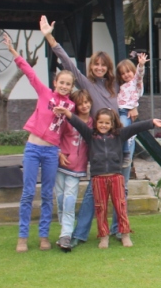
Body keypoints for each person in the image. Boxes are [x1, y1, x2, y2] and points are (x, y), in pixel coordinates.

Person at [38, 15, 126, 245]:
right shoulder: (86, 83)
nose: (99, 68)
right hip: (97, 145)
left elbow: (133, 90)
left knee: (121, 190)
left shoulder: (115, 86)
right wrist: (49, 37)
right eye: (96, 64)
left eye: (103, 65)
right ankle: (78, 234)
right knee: (93, 193)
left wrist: (133, 108)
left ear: (108, 67)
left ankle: (118, 230)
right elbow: (67, 63)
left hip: (119, 143)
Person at [3, 34, 74, 253]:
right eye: (61, 82)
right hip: (33, 149)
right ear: (55, 83)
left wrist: (66, 115)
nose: (64, 86)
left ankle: (44, 236)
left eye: (68, 84)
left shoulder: (70, 106)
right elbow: (30, 73)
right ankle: (22, 237)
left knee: (47, 194)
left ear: (71, 87)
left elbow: (68, 131)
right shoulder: (45, 94)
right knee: (27, 193)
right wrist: (13, 52)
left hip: (51, 152)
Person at [56, 106, 161, 249]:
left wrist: (151, 122)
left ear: (112, 124)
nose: (103, 125)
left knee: (120, 206)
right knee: (100, 208)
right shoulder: (91, 136)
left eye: (107, 123)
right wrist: (67, 113)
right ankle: (104, 237)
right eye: (100, 122)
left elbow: (135, 128)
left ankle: (125, 234)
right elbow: (78, 123)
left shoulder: (119, 135)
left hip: (116, 177)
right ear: (96, 123)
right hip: (98, 179)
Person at [55, 90, 92, 252]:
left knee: (69, 201)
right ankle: (64, 229)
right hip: (61, 165)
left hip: (77, 168)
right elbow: (55, 136)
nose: (84, 106)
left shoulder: (93, 122)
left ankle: (66, 235)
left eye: (86, 102)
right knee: (60, 200)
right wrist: (59, 153)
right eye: (80, 103)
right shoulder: (67, 120)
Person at [116, 52, 148, 174]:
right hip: (118, 111)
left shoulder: (135, 83)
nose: (126, 75)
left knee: (123, 128)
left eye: (128, 71)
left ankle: (125, 153)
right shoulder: (122, 86)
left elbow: (139, 75)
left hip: (126, 112)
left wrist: (141, 65)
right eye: (123, 73)